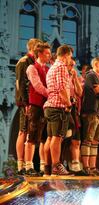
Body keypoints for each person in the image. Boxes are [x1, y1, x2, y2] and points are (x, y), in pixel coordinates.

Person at [44, 45, 73, 176]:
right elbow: (61, 88)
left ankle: (48, 167)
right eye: (70, 57)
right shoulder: (61, 67)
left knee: (50, 138)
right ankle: (56, 166)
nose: (70, 60)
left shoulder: (52, 68)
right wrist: (68, 104)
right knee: (57, 137)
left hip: (50, 106)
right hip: (58, 107)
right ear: (66, 55)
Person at [15, 38, 42, 175]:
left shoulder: (34, 62)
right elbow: (20, 84)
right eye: (39, 48)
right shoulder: (24, 61)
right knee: (23, 131)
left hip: (32, 102)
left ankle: (27, 165)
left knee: (29, 132)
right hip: (26, 102)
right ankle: (21, 166)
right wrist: (25, 103)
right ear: (33, 48)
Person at [24, 41, 51, 176]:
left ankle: (42, 166)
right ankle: (28, 165)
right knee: (32, 135)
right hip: (36, 105)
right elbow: (37, 86)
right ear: (39, 54)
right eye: (47, 53)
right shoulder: (32, 68)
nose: (49, 56)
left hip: (46, 106)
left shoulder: (48, 69)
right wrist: (51, 93)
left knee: (44, 138)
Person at [80, 56, 99, 176]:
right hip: (92, 112)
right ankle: (86, 167)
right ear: (96, 64)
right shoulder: (91, 76)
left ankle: (93, 168)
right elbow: (96, 91)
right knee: (88, 140)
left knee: (95, 142)